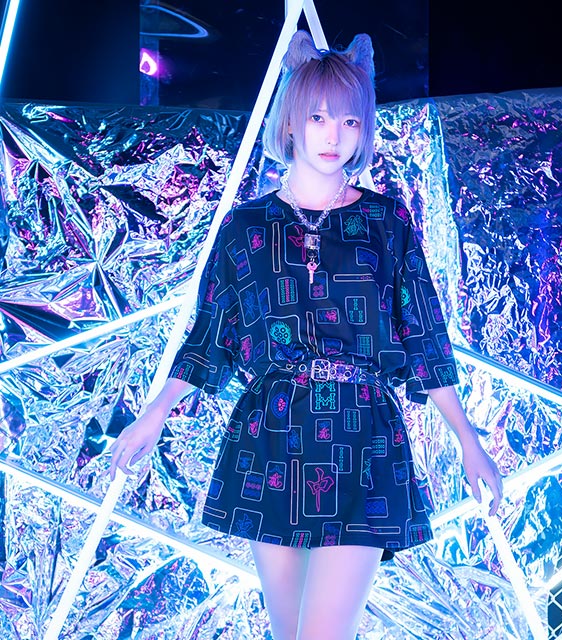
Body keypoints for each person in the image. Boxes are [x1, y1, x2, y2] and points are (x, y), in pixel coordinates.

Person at [110, 30, 503, 640]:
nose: (333, 135)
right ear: (292, 121)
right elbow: (210, 334)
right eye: (318, 117)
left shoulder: (386, 221)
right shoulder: (246, 226)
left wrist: (469, 441)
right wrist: (153, 414)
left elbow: (425, 337)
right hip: (272, 437)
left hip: (362, 436)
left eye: (349, 120)